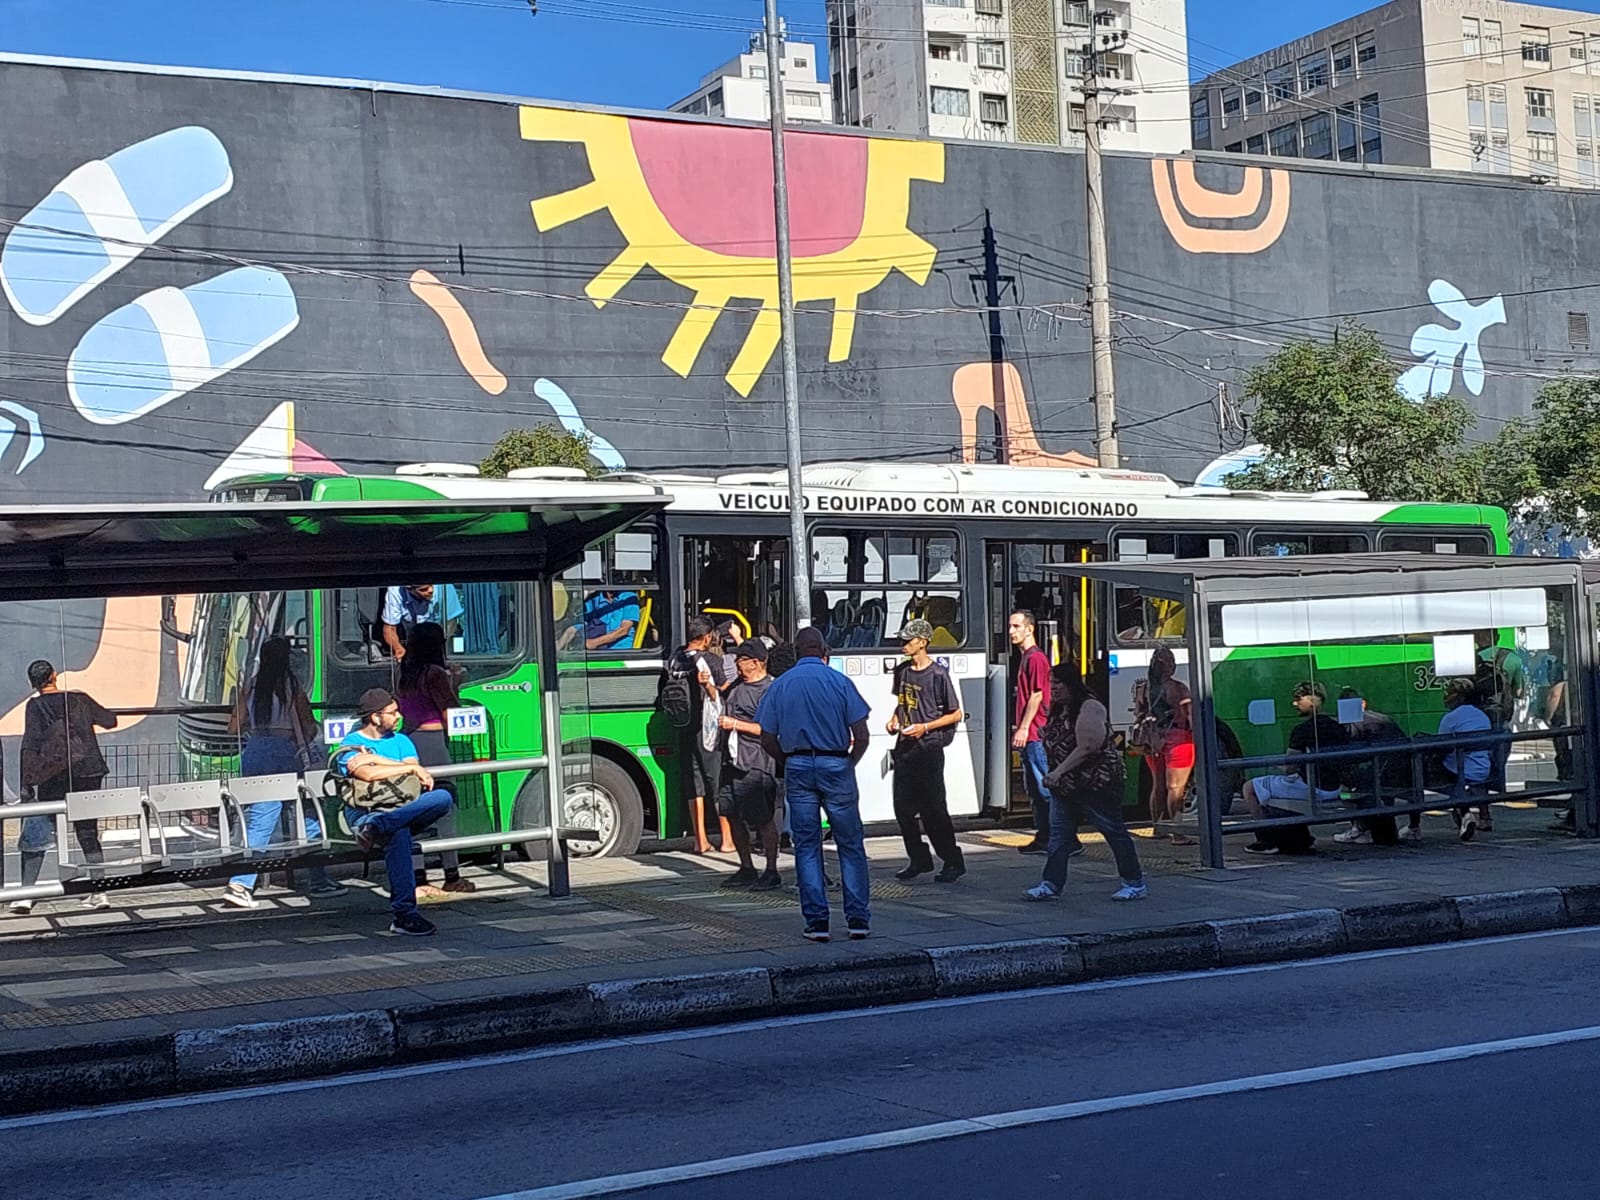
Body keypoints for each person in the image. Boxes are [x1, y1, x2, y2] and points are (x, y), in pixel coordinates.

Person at [755, 626, 872, 942]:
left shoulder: (781, 686)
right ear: (823, 650)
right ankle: (858, 919)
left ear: (795, 651)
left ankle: (817, 923)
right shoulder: (839, 682)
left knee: (806, 846)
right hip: (836, 763)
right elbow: (861, 735)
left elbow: (766, 736)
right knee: (850, 844)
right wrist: (848, 763)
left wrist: (787, 760)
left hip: (798, 764)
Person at [223, 637, 344, 909]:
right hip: (285, 751)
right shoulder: (290, 685)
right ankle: (246, 883)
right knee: (309, 812)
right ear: (286, 658)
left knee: (260, 817)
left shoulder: (252, 685)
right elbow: (308, 724)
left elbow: (234, 726)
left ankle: (245, 881)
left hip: (254, 751)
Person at [334, 688, 456, 936]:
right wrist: (402, 768)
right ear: (376, 717)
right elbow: (365, 774)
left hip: (400, 809)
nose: (399, 716)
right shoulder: (349, 744)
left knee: (443, 797)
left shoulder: (401, 740)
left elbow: (416, 770)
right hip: (366, 813)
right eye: (392, 712)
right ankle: (405, 915)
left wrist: (376, 761)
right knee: (398, 834)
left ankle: (380, 825)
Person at [1025, 660, 1147, 902]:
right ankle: (1051, 883)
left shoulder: (1089, 706)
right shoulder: (1060, 708)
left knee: (1112, 830)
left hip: (1096, 783)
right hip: (1067, 786)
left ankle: (1134, 882)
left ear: (1070, 683)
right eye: (1051, 683)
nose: (1054, 688)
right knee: (1059, 835)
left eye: (1057, 683)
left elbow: (1088, 746)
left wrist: (1058, 772)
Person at [10, 660, 117, 915]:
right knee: (87, 831)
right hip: (89, 771)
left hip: (53, 776)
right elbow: (110, 721)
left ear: (32, 683)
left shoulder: (34, 706)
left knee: (37, 828)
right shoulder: (79, 699)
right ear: (54, 676)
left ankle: (26, 895)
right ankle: (99, 891)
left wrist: (27, 784)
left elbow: (30, 744)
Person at [396, 622, 476, 896]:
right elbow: (449, 711)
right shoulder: (434, 673)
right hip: (434, 743)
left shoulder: (406, 674)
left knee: (414, 807)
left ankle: (418, 878)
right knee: (445, 807)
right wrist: (456, 682)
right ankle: (452, 875)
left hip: (412, 741)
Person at [886, 618, 966, 884]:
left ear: (922, 643)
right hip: (905, 748)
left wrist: (926, 726)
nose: (903, 646)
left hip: (929, 750)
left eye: (908, 641)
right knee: (903, 809)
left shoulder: (938, 675)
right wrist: (895, 719)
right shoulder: (902, 672)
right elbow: (902, 702)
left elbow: (956, 713)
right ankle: (919, 858)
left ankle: (952, 860)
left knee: (933, 810)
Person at [1241, 681, 1346, 856]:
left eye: (1299, 699)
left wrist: (1274, 762)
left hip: (1311, 787)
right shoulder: (1337, 726)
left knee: (1250, 788)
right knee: (1275, 787)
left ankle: (1267, 839)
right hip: (1334, 788)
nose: (1294, 703)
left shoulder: (1301, 730)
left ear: (1312, 700)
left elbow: (1289, 767)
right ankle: (1298, 837)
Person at [716, 639, 783, 891]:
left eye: (742, 660)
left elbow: (768, 729)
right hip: (731, 759)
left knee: (763, 819)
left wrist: (734, 724)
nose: (737, 664)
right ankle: (746, 867)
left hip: (756, 762)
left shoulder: (770, 690)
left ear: (757, 663)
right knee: (731, 813)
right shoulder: (736, 685)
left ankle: (772, 870)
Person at [1010, 610, 1072, 856]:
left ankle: (1064, 840)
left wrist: (1024, 727)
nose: (1012, 631)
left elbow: (1037, 694)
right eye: (1011, 627)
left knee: (1045, 789)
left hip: (1036, 733)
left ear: (1030, 628)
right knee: (1035, 790)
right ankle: (1045, 836)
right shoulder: (1027, 657)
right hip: (1031, 734)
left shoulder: (1035, 659)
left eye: (1017, 626)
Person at [673, 617, 732, 855]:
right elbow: (723, 688)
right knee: (716, 781)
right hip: (706, 729)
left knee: (693, 784)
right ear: (707, 637)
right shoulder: (710, 660)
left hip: (682, 726)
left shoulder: (675, 659)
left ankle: (700, 840)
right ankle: (727, 839)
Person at [1332, 687, 1408, 847]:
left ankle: (1359, 828)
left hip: (1379, 775)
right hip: (1402, 772)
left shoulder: (1352, 723)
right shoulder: (1383, 719)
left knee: (1346, 781)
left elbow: (1351, 756)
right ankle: (1368, 828)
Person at [1139, 646, 1197, 846]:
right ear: (1169, 666)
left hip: (1153, 741)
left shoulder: (1144, 688)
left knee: (1158, 786)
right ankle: (1178, 833)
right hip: (1178, 741)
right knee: (1176, 788)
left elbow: (1139, 713)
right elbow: (1190, 715)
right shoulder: (1179, 689)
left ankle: (1158, 828)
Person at [1436, 676, 1493, 842]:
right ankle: (1484, 816)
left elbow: (1441, 746)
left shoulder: (1450, 718)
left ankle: (1464, 813)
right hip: (1484, 768)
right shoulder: (1481, 715)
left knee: (1438, 769)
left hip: (1459, 769)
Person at [379, 583, 464, 660]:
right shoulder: (395, 591)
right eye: (424, 589)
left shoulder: (444, 585)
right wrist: (398, 649)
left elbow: (451, 621)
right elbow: (389, 629)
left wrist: (441, 647)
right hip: (411, 644)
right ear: (409, 590)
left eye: (431, 585)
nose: (431, 590)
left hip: (438, 643)